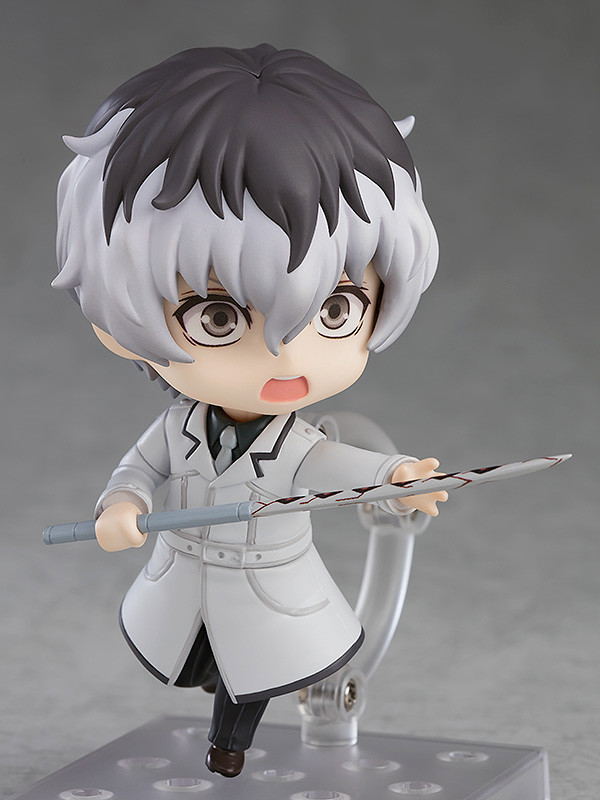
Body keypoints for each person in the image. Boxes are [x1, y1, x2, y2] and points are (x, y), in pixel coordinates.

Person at [54, 44, 446, 778]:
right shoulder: (178, 428)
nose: (287, 356)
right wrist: (122, 505)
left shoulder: (296, 443)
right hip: (184, 581)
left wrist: (397, 477)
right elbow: (137, 469)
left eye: (336, 309)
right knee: (195, 657)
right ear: (117, 318)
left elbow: (339, 463)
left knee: (251, 674)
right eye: (218, 319)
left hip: (268, 592)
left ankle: (228, 744)